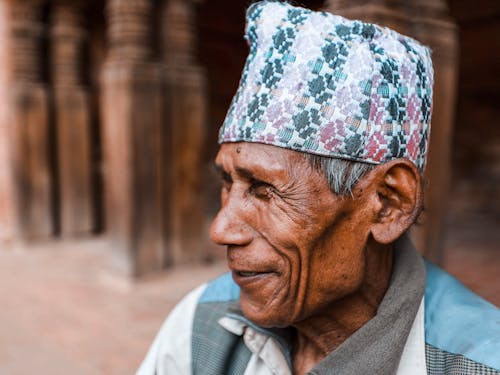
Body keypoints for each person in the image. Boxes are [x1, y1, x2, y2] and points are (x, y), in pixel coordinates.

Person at [137, 1, 500, 374]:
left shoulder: (479, 363)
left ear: (388, 203)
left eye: (264, 190)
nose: (220, 229)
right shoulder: (201, 323)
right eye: (228, 182)